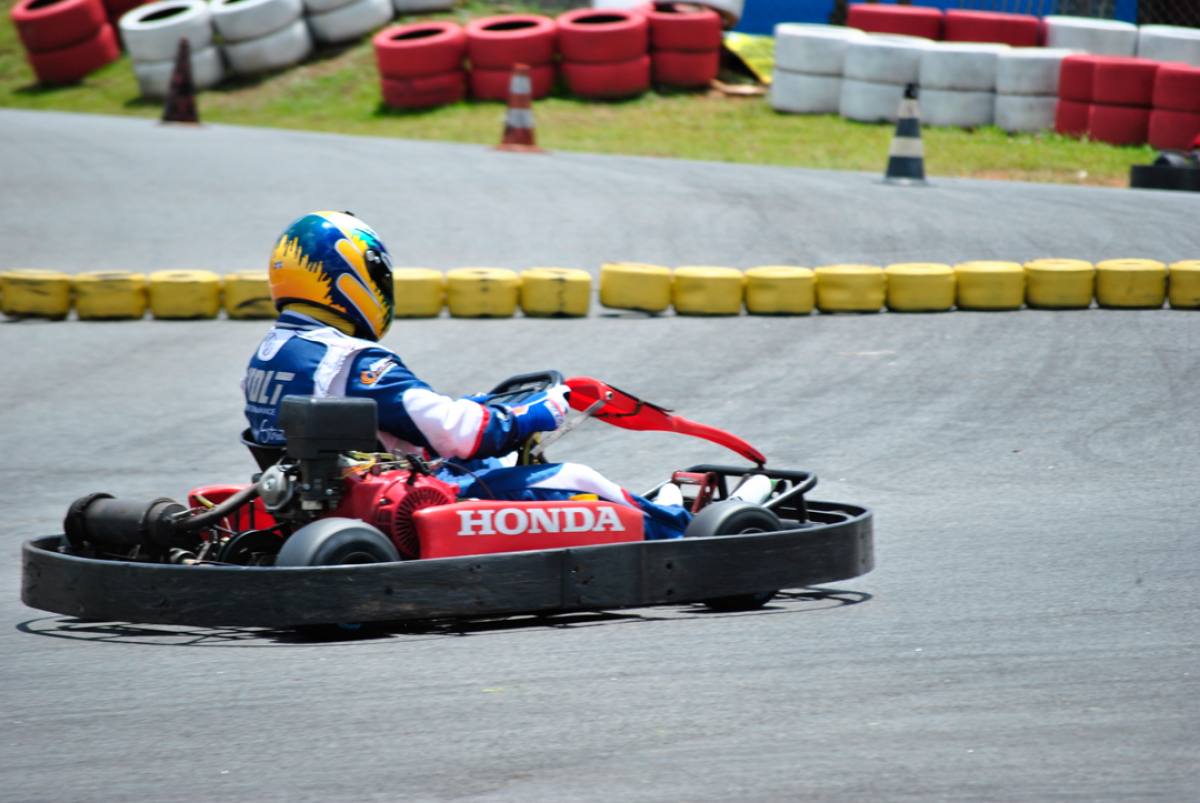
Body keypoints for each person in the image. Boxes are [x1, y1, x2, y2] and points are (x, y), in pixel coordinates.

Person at [244, 210, 691, 540]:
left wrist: (480, 406)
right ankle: (682, 530)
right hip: (392, 503)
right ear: (349, 275)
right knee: (577, 479)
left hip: (322, 500)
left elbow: (409, 422)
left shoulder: (271, 354)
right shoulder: (352, 360)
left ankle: (657, 506)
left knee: (491, 462)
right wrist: (542, 411)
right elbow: (460, 435)